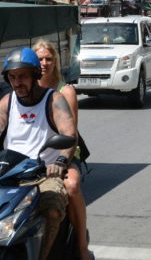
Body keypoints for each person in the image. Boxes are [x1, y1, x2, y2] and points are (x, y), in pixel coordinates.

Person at [0, 48, 76, 260]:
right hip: (6, 173)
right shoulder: (8, 101)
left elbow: (69, 134)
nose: (17, 83)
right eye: (12, 77)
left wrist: (60, 162)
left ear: (36, 75)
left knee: (52, 207)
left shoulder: (54, 99)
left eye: (23, 76)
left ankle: (42, 256)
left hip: (42, 174)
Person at [33, 40, 94, 260]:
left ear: (55, 62)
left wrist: (61, 160)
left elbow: (71, 136)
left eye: (49, 59)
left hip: (63, 154)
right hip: (34, 156)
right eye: (39, 59)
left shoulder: (65, 91)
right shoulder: (26, 90)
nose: (44, 63)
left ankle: (81, 245)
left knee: (72, 186)